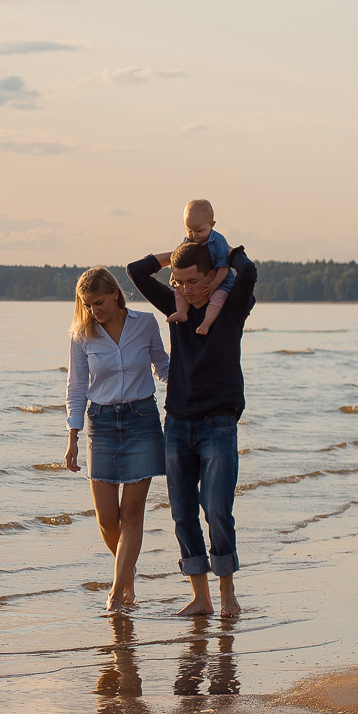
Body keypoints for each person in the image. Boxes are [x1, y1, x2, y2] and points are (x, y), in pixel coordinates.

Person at [128, 237, 258, 617]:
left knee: (217, 508)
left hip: (219, 422)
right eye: (177, 281)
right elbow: (135, 270)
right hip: (179, 421)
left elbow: (247, 271)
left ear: (212, 278)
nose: (182, 288)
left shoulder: (232, 307)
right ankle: (200, 598)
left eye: (190, 281)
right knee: (182, 513)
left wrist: (226, 253)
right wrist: (178, 254)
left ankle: (227, 593)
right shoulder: (175, 306)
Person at [62, 266, 169, 612]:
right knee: (107, 519)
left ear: (115, 295)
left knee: (131, 515)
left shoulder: (146, 324)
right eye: (88, 305)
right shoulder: (83, 336)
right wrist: (72, 437)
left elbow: (164, 368)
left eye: (99, 302)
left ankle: (116, 593)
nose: (95, 310)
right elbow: (77, 388)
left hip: (142, 421)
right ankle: (128, 576)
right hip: (102, 424)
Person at [154, 199, 232, 336]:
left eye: (199, 231)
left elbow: (223, 266)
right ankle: (182, 312)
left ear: (212, 224)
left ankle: (206, 323)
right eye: (189, 230)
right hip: (205, 280)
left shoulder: (218, 241)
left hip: (221, 281)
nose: (195, 235)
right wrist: (174, 278)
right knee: (178, 290)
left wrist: (215, 284)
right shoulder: (188, 241)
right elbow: (178, 261)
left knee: (218, 298)